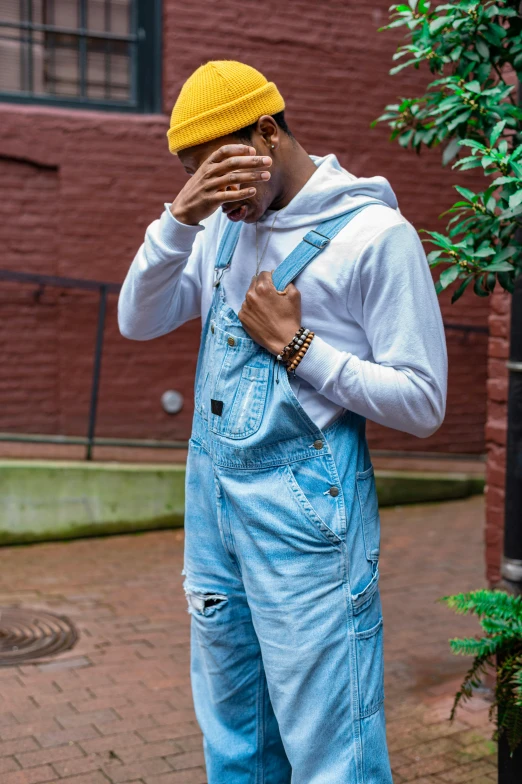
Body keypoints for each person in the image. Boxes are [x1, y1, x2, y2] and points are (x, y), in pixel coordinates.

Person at [118, 60, 448, 783]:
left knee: (334, 759)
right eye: (198, 179)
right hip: (214, 513)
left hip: (308, 528)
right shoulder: (216, 231)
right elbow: (136, 319)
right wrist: (179, 217)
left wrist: (301, 350)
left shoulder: (375, 237)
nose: (217, 198)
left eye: (219, 173)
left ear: (267, 133)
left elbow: (424, 402)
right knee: (236, 745)